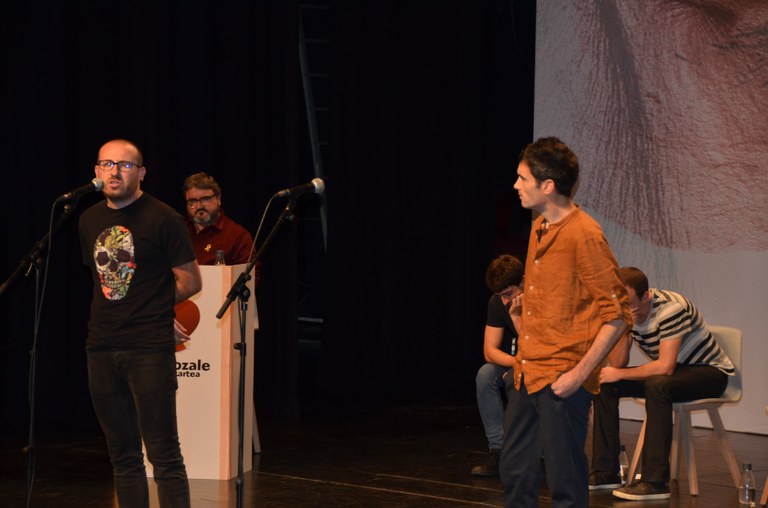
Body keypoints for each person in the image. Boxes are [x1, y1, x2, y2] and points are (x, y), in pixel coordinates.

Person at [498, 136, 632, 508]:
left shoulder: (584, 234)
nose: (516, 185)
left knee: (565, 479)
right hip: (527, 371)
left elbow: (618, 314)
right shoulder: (539, 227)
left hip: (562, 377)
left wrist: (578, 374)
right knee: (515, 471)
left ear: (547, 186)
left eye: (523, 178)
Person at [79, 139, 202, 507]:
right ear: (96, 171)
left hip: (148, 347)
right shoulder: (87, 219)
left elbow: (190, 282)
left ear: (142, 173)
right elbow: (105, 283)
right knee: (123, 456)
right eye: (107, 164)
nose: (115, 171)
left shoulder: (163, 218)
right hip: (101, 346)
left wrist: (155, 309)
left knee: (164, 455)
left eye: (125, 165)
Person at [590, 266, 735, 501]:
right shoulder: (626, 313)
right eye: (621, 304)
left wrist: (619, 373)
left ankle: (655, 482)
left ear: (646, 296)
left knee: (656, 385)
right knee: (606, 383)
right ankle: (605, 473)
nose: (626, 309)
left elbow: (666, 366)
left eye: (630, 304)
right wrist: (623, 326)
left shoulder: (671, 309)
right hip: (674, 373)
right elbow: (618, 363)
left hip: (709, 373)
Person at [471, 254, 523, 477]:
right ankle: (498, 449)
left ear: (523, 282)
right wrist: (517, 363)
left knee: (515, 380)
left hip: (543, 362)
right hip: (517, 361)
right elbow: (489, 351)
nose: (504, 301)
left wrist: (518, 316)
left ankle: (531, 446)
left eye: (509, 294)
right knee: (485, 375)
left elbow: (539, 348)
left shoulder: (541, 299)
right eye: (500, 295)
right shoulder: (497, 302)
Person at [182, 172, 254, 265]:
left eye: (205, 199)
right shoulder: (177, 230)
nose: (199, 206)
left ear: (219, 199)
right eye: (192, 201)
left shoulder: (238, 236)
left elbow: (249, 273)